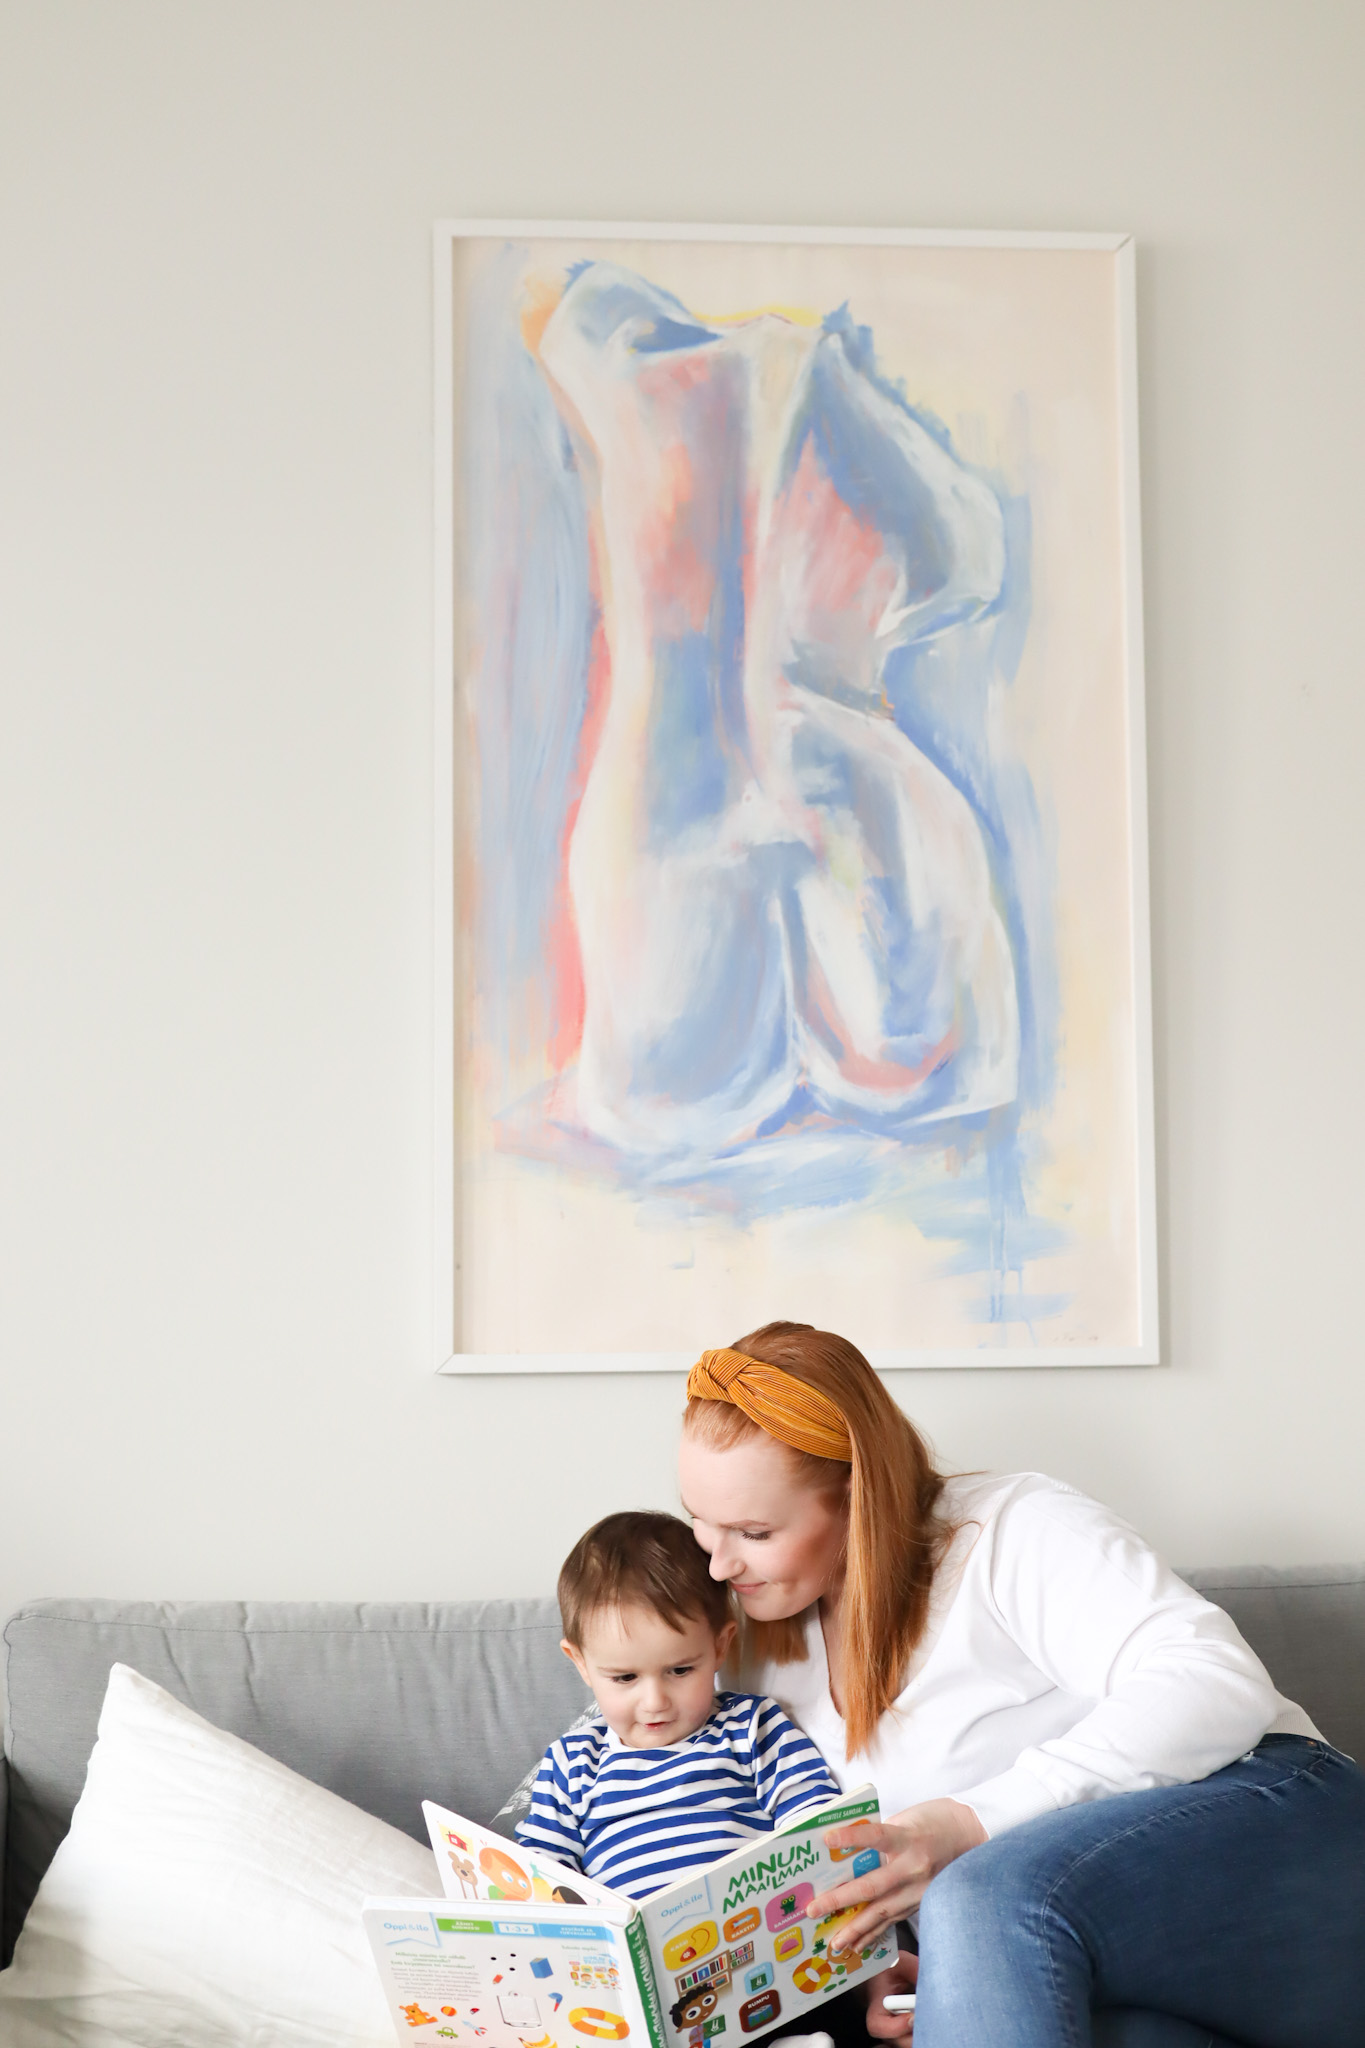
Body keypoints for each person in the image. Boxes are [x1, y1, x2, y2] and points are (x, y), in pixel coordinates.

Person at [678, 1323, 1365, 2048]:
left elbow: (1215, 1680)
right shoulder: (748, 1645)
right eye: (700, 1522)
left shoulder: (1007, 1528)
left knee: (976, 1894)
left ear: (857, 1499)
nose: (719, 1565)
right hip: (1091, 1948)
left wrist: (966, 1825)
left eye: (754, 1532)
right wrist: (879, 1967)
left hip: (1273, 1816)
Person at [515, 1509, 843, 1898]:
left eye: (680, 1670)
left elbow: (815, 1818)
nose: (655, 1703)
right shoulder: (572, 1763)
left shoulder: (751, 1727)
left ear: (720, 1646)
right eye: (625, 1678)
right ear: (581, 1664)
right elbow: (541, 1872)